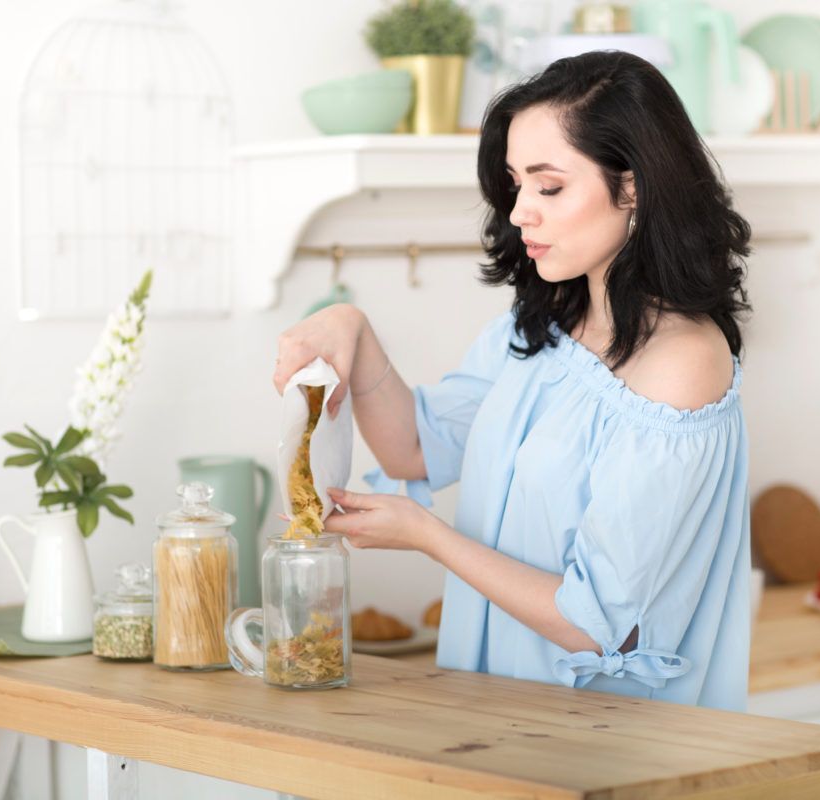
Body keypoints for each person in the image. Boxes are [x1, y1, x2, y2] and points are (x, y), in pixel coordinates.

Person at [272, 50, 753, 710]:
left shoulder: (683, 365)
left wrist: (427, 536)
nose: (522, 209)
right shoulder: (540, 327)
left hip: (606, 751)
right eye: (516, 183)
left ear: (632, 186)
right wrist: (354, 329)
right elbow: (415, 447)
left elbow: (594, 622)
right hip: (495, 726)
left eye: (549, 187)